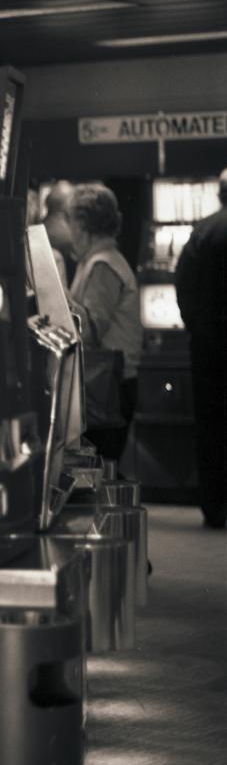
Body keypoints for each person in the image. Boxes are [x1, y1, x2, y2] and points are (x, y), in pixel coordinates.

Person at [67, 182, 143, 463]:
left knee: (100, 465)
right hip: (112, 384)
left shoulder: (103, 265)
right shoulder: (103, 260)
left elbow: (90, 329)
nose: (69, 232)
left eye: (71, 223)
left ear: (82, 225)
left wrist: (58, 297)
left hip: (109, 387)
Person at [175, 169, 227, 529]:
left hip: (210, 347)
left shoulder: (204, 231)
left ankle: (215, 506)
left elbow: (183, 285)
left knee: (211, 427)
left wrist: (197, 327)